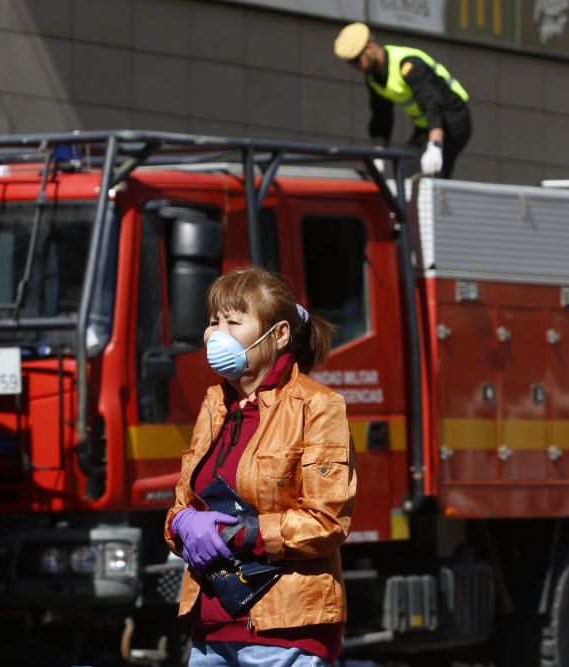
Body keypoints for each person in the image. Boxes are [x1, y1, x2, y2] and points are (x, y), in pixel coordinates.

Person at [164, 266, 357, 667]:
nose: (217, 333)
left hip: (286, 634)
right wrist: (181, 524)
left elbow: (327, 522)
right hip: (212, 629)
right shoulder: (214, 405)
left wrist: (239, 533)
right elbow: (182, 506)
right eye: (214, 321)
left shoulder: (317, 406)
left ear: (280, 335)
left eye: (233, 322)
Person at [334, 21, 472, 179]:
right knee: (405, 167)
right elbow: (381, 116)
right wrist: (379, 152)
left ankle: (437, 197)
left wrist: (435, 145)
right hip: (427, 125)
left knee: (432, 171)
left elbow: (431, 103)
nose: (355, 67)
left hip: (452, 119)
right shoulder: (373, 78)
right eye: (350, 63)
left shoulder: (408, 65)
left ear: (370, 48)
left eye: (356, 60)